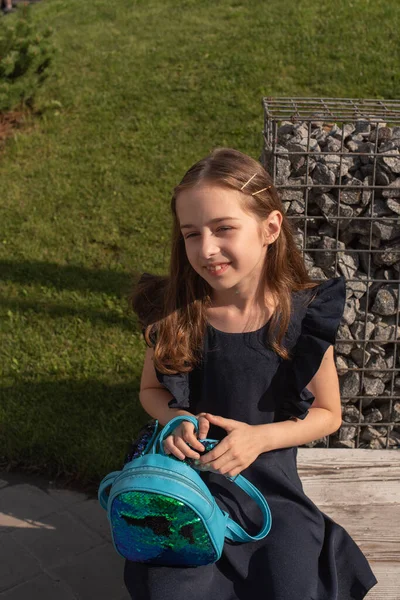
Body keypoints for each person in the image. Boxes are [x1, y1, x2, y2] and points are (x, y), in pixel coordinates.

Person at [125, 147, 377, 600]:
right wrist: (175, 420)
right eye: (191, 234)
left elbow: (328, 412)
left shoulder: (300, 318)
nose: (206, 249)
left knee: (292, 581)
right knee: (175, 587)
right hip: (190, 479)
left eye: (223, 229)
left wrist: (260, 438)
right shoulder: (178, 314)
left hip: (270, 483)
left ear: (269, 228)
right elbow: (149, 390)